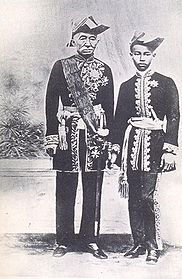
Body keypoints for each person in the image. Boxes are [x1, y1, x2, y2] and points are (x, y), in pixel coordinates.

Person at [45, 16, 114, 259]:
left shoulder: (105, 69)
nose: (87, 42)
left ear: (97, 42)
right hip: (68, 132)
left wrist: (110, 141)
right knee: (65, 187)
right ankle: (63, 240)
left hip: (95, 133)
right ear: (73, 40)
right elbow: (51, 102)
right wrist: (52, 136)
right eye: (82, 38)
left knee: (93, 187)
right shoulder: (61, 66)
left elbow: (110, 107)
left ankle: (91, 240)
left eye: (92, 38)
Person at [111, 31, 180, 263]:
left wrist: (170, 149)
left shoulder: (166, 83)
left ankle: (153, 245)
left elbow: (173, 116)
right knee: (133, 196)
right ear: (131, 56)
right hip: (131, 145)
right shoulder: (126, 86)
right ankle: (138, 242)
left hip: (155, 144)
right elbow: (119, 120)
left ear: (153, 55)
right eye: (137, 54)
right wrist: (115, 149)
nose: (142, 58)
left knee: (147, 196)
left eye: (146, 54)